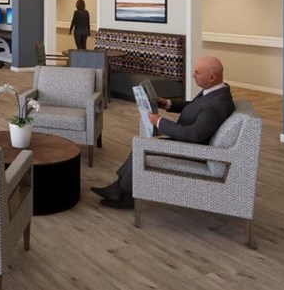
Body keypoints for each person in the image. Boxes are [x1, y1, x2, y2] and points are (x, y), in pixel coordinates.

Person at [91, 55, 235, 209]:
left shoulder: (216, 105)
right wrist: (167, 103)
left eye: (197, 73)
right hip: (188, 143)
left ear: (212, 77)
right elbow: (195, 106)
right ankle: (120, 188)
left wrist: (159, 122)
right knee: (141, 145)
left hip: (192, 151)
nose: (193, 76)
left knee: (141, 147)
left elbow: (193, 135)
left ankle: (125, 194)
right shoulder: (215, 93)